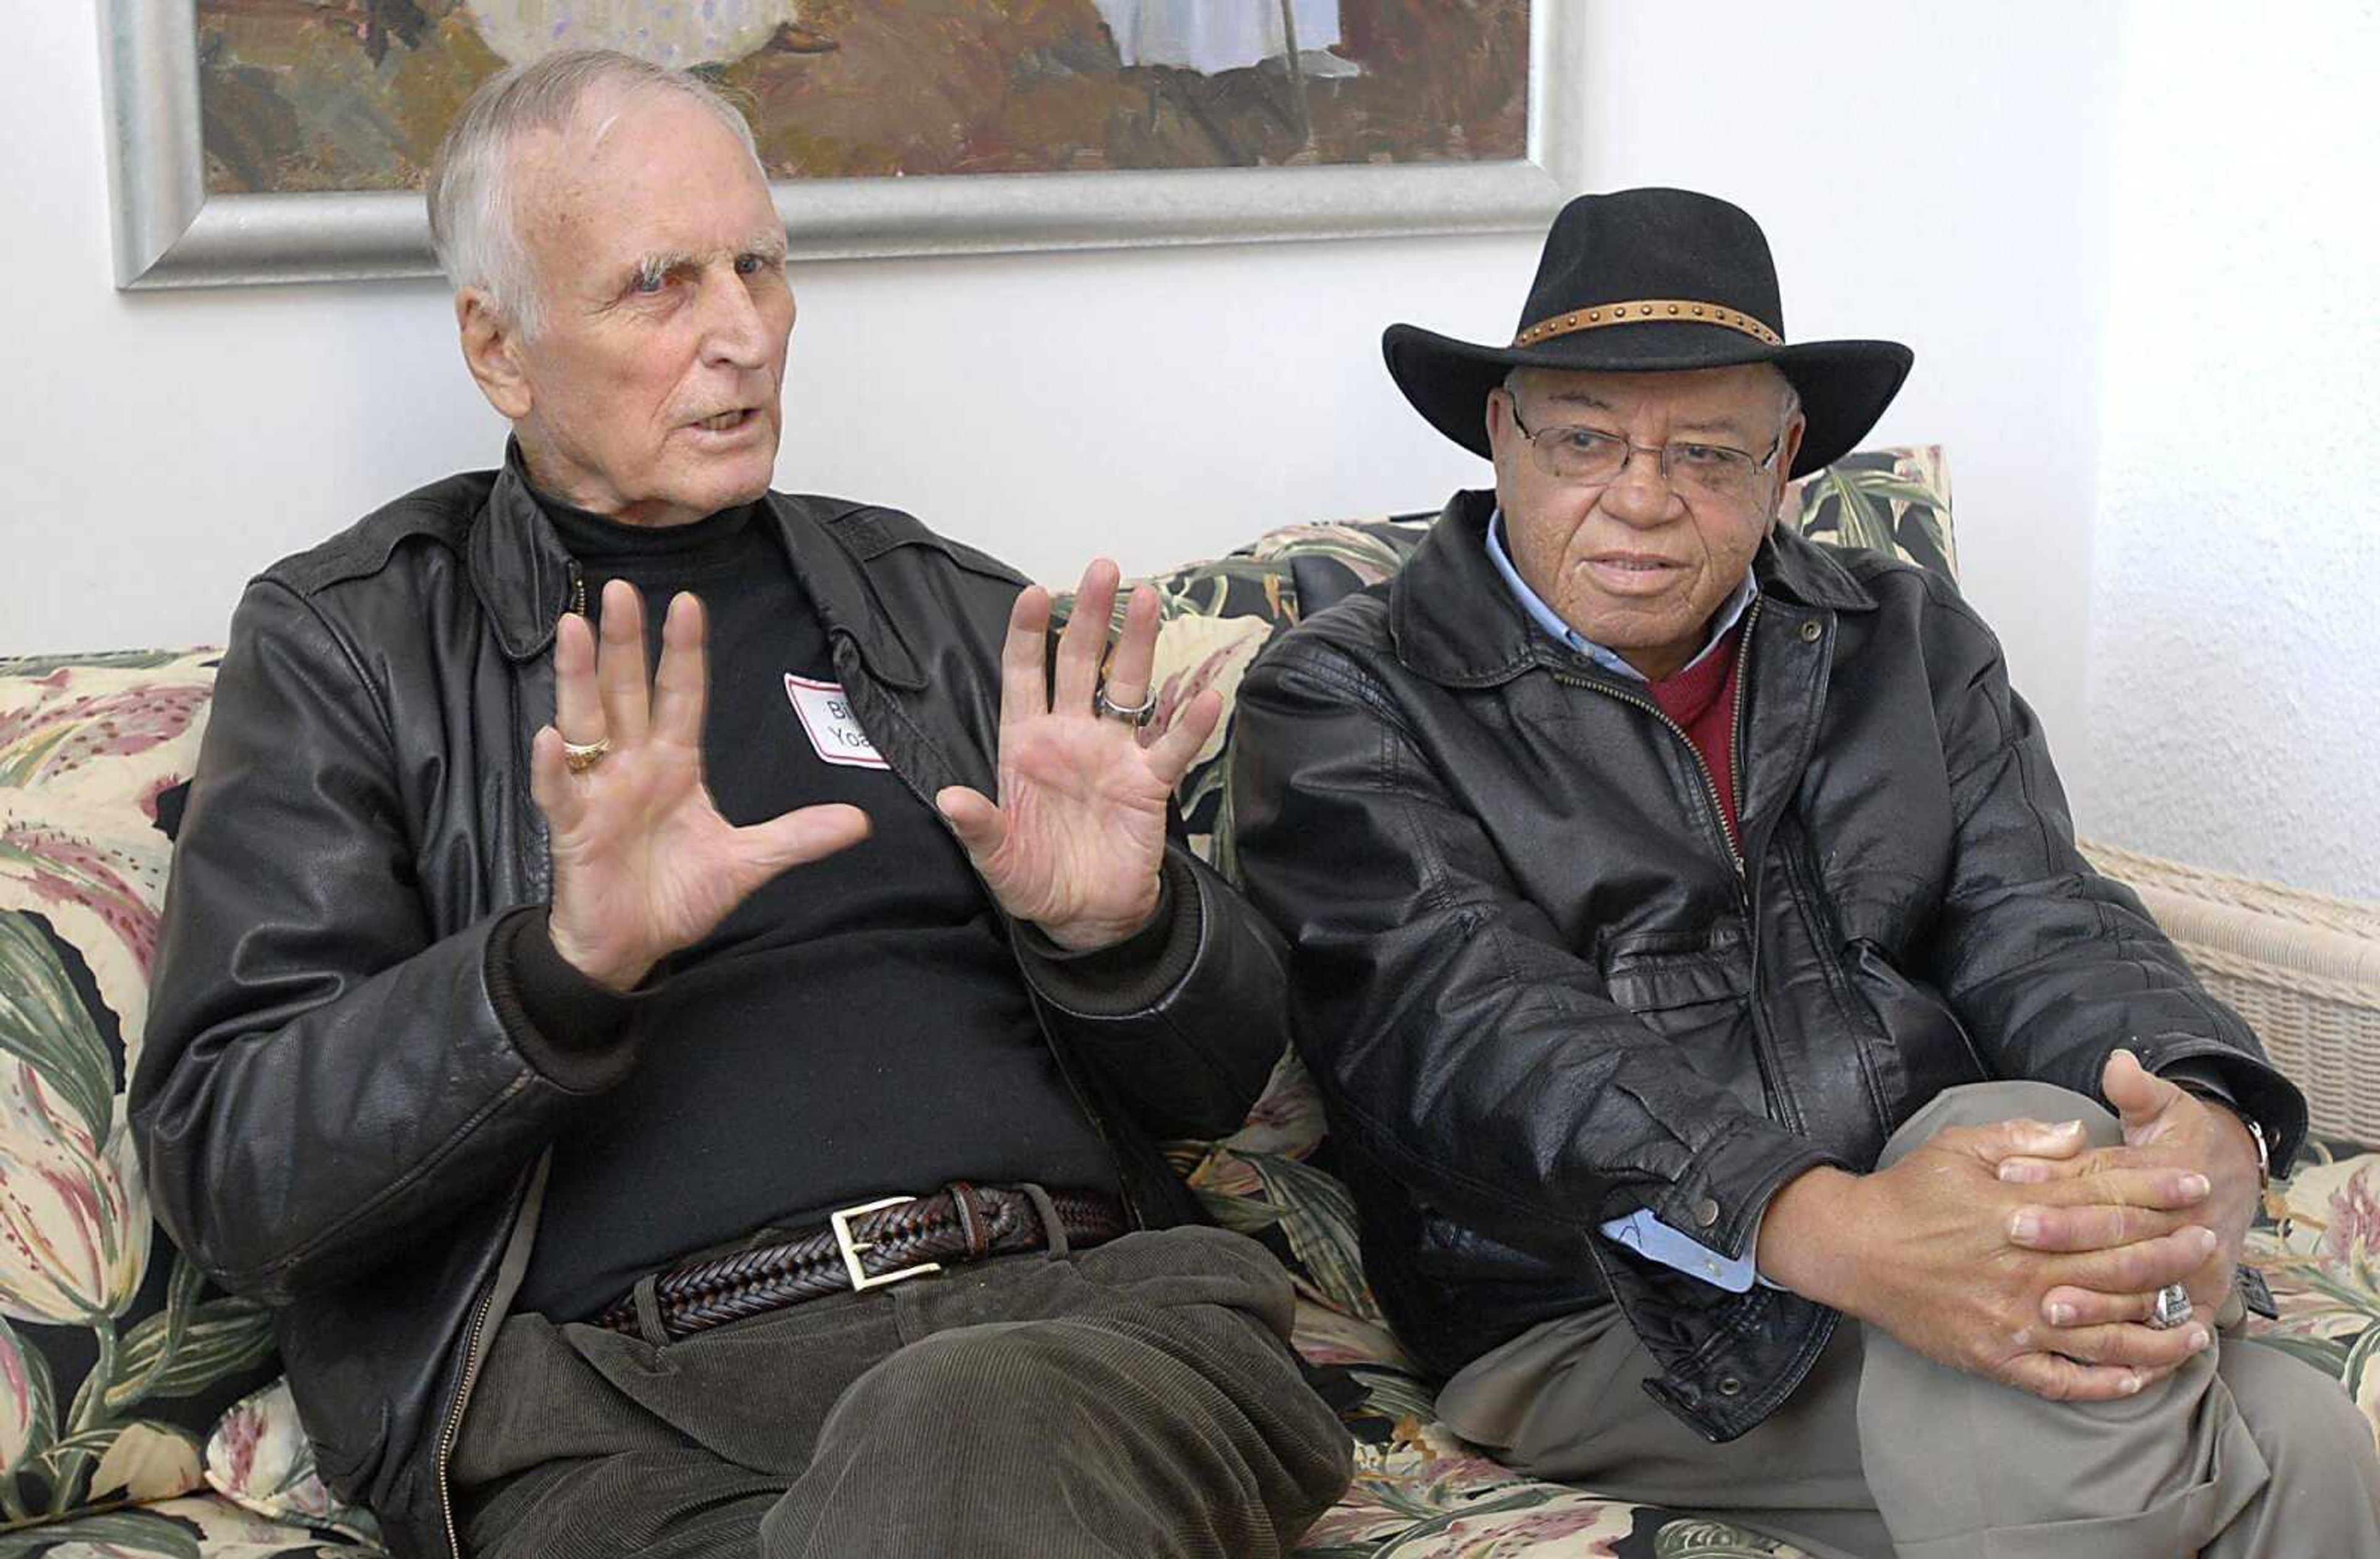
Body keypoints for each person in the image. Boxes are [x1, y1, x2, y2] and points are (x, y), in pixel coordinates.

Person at [133, 49, 1348, 1559]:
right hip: (635, 1423)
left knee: (968, 1422)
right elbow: (230, 1160)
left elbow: (1223, 1080)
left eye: (758, 267)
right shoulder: (353, 647)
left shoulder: (951, 612)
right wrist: (554, 972)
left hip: (1084, 1331)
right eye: (659, 284)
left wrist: (1128, 929)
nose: (743, 336)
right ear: (499, 349)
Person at [1228, 186, 2380, 1558]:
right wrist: (1841, 1233)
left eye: (1708, 454)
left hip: (1951, 1203)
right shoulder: (1347, 695)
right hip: (1608, 1300)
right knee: (2157, 1390)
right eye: (1586, 440)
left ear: (1786, 465)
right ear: (1502, 436)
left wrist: (2205, 1117)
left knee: (2296, 1431)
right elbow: (1481, 1032)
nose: (1643, 499)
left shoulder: (1901, 634)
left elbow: (2040, 912)